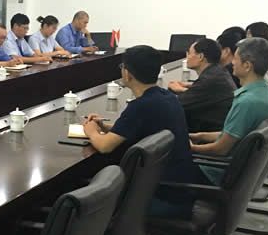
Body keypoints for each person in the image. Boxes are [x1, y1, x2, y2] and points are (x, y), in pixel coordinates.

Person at [83, 46, 201, 192]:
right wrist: (105, 127)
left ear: (127, 74)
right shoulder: (167, 96)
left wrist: (91, 131)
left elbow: (105, 146)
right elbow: (138, 127)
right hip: (179, 181)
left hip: (160, 189)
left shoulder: (140, 106)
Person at [190, 37, 268, 158]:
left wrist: (191, 147)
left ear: (247, 66)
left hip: (214, 165)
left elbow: (220, 149)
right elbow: (232, 134)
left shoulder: (246, 102)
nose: (232, 62)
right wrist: (200, 136)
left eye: (235, 58)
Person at [168, 39, 236, 132]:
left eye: (189, 53)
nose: (186, 57)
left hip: (209, 132)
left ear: (200, 57)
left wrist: (174, 89)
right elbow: (206, 93)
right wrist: (187, 89)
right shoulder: (218, 71)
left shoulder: (209, 80)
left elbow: (177, 104)